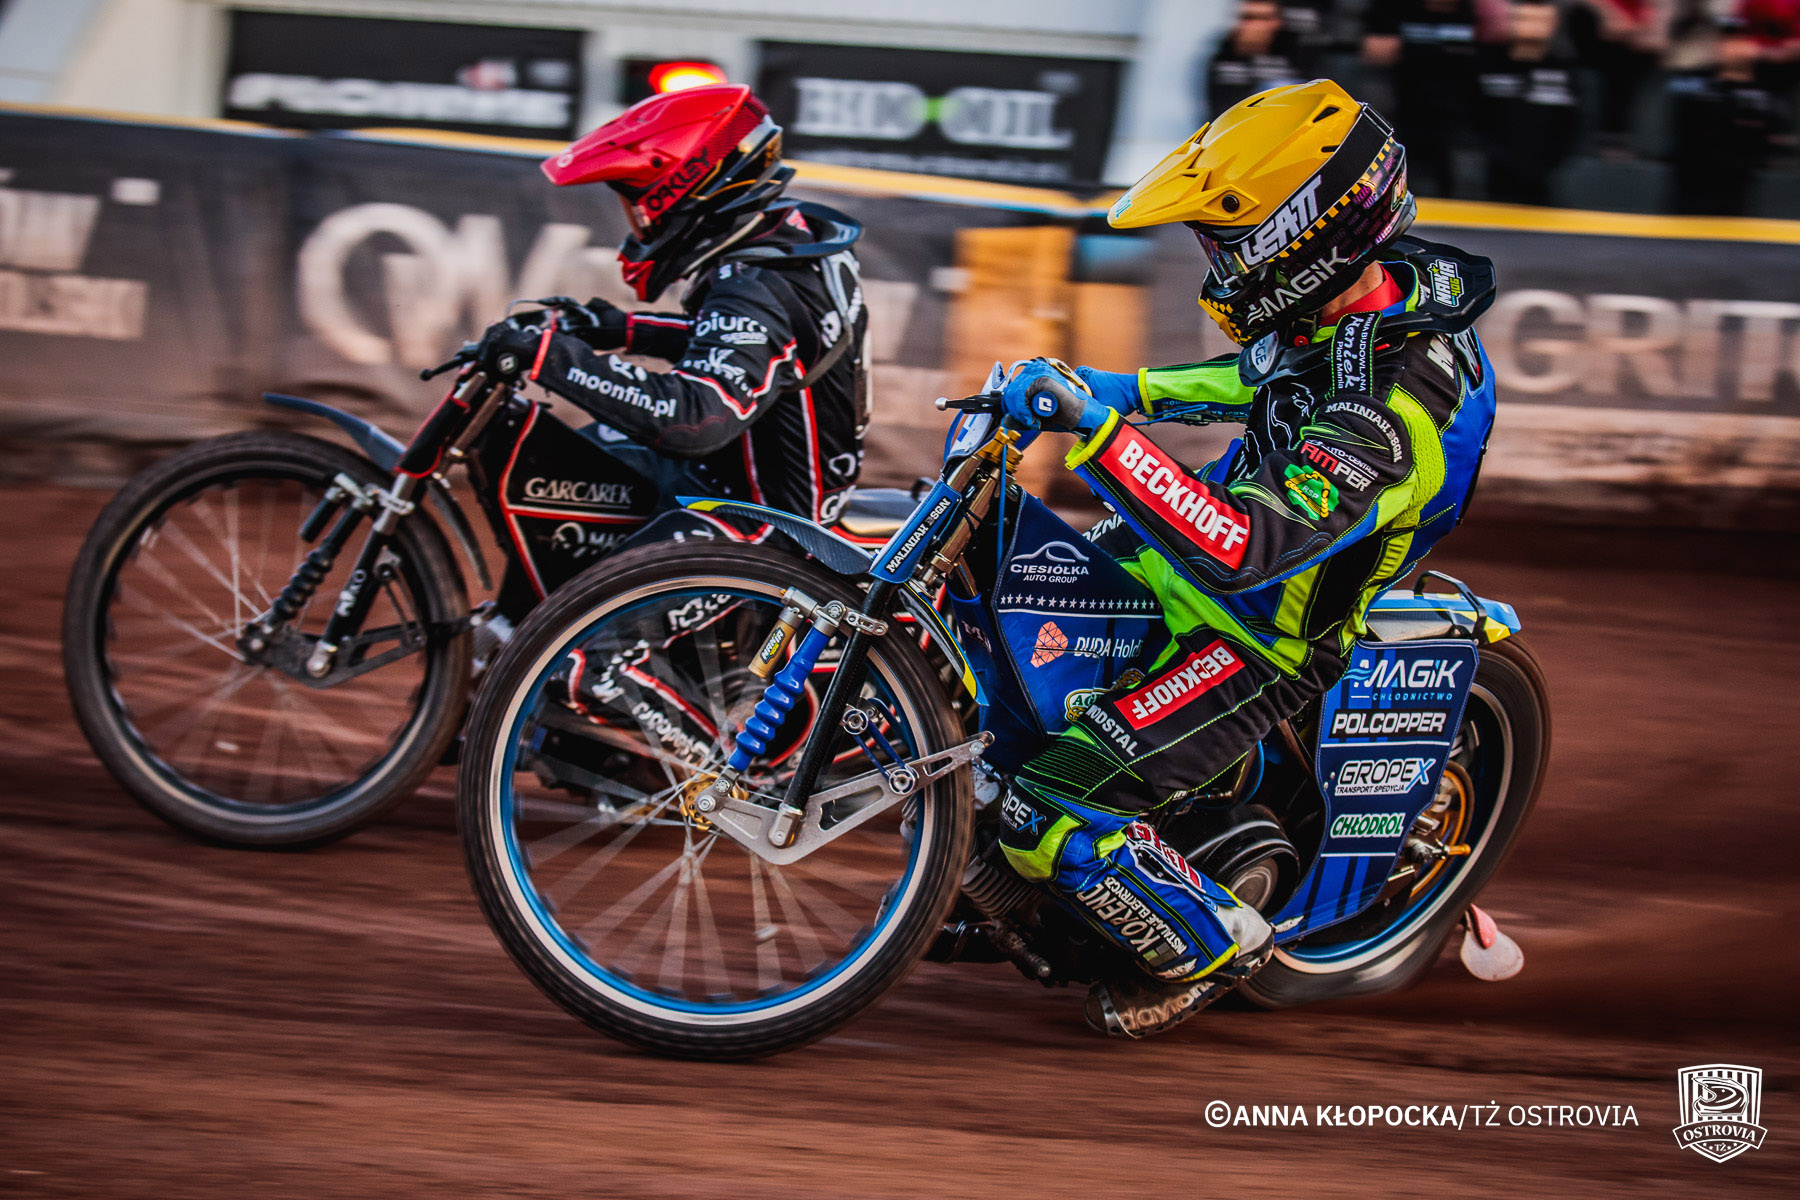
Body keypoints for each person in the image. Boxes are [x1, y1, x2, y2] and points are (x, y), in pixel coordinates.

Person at [992, 79, 1499, 1037]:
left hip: (1260, 638)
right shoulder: (1354, 305)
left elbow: (1245, 548)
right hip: (1180, 568)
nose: (1215, 265)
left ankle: (1214, 945)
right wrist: (1115, 388)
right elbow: (1261, 380)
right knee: (1000, 603)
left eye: (1228, 244)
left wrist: (1099, 432)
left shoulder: (1394, 405)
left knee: (1045, 810)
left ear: (1301, 238)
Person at [474, 84, 870, 568]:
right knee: (575, 461)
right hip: (728, 480)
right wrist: (614, 327)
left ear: (682, 193)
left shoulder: (756, 284)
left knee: (586, 615)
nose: (636, 228)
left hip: (769, 524)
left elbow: (695, 419)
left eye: (638, 209)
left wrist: (548, 358)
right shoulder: (786, 242)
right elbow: (749, 349)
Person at [1362, 0, 1484, 196]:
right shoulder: (1394, 8)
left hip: (1461, 119)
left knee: (1466, 176)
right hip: (1407, 114)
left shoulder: (1476, 12)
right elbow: (1374, 52)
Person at [1475, 0, 1583, 204]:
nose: (1532, 27)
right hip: (1491, 180)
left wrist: (1550, 165)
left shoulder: (1563, 72)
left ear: (1554, 25)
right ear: (1512, 21)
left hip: (1545, 181)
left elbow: (1573, 125)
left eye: (1540, 21)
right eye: (1525, 19)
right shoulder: (1489, 65)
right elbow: (1475, 116)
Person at [1207, 1, 1308, 115]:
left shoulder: (1299, 53)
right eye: (1246, 17)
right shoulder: (1222, 58)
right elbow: (1217, 111)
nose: (1252, 24)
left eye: (1261, 18)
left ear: (1276, 22)